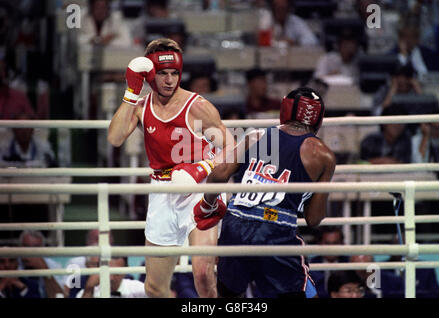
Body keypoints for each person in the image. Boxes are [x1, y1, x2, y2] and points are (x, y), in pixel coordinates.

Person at [107, 38, 235, 298]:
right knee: (154, 288)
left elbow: (231, 148)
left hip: (201, 190)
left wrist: (202, 169)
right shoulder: (142, 107)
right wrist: (132, 92)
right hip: (162, 192)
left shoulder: (197, 107)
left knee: (202, 274)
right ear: (150, 74)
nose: (169, 80)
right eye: (162, 74)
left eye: (174, 73)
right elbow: (115, 138)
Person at [191, 87, 336, 297]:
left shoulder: (255, 136)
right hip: (275, 231)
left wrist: (207, 206)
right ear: (318, 118)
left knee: (229, 294)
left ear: (285, 109)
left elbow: (218, 176)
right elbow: (314, 219)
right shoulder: (323, 155)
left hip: (235, 225)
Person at [18, 231, 67, 298]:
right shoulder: (12, 264)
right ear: (19, 248)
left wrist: (45, 270)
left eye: (36, 248)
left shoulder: (52, 265)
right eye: (27, 246)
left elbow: (60, 296)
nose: (30, 252)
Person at [309, 226, 349, 298]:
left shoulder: (350, 264)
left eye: (335, 243)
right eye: (327, 243)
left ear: (342, 244)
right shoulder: (310, 266)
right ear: (319, 244)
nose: (331, 248)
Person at [76, 257, 146, 298]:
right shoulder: (87, 292)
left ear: (126, 270)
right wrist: (89, 289)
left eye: (116, 273)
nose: (111, 278)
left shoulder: (138, 289)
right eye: (107, 273)